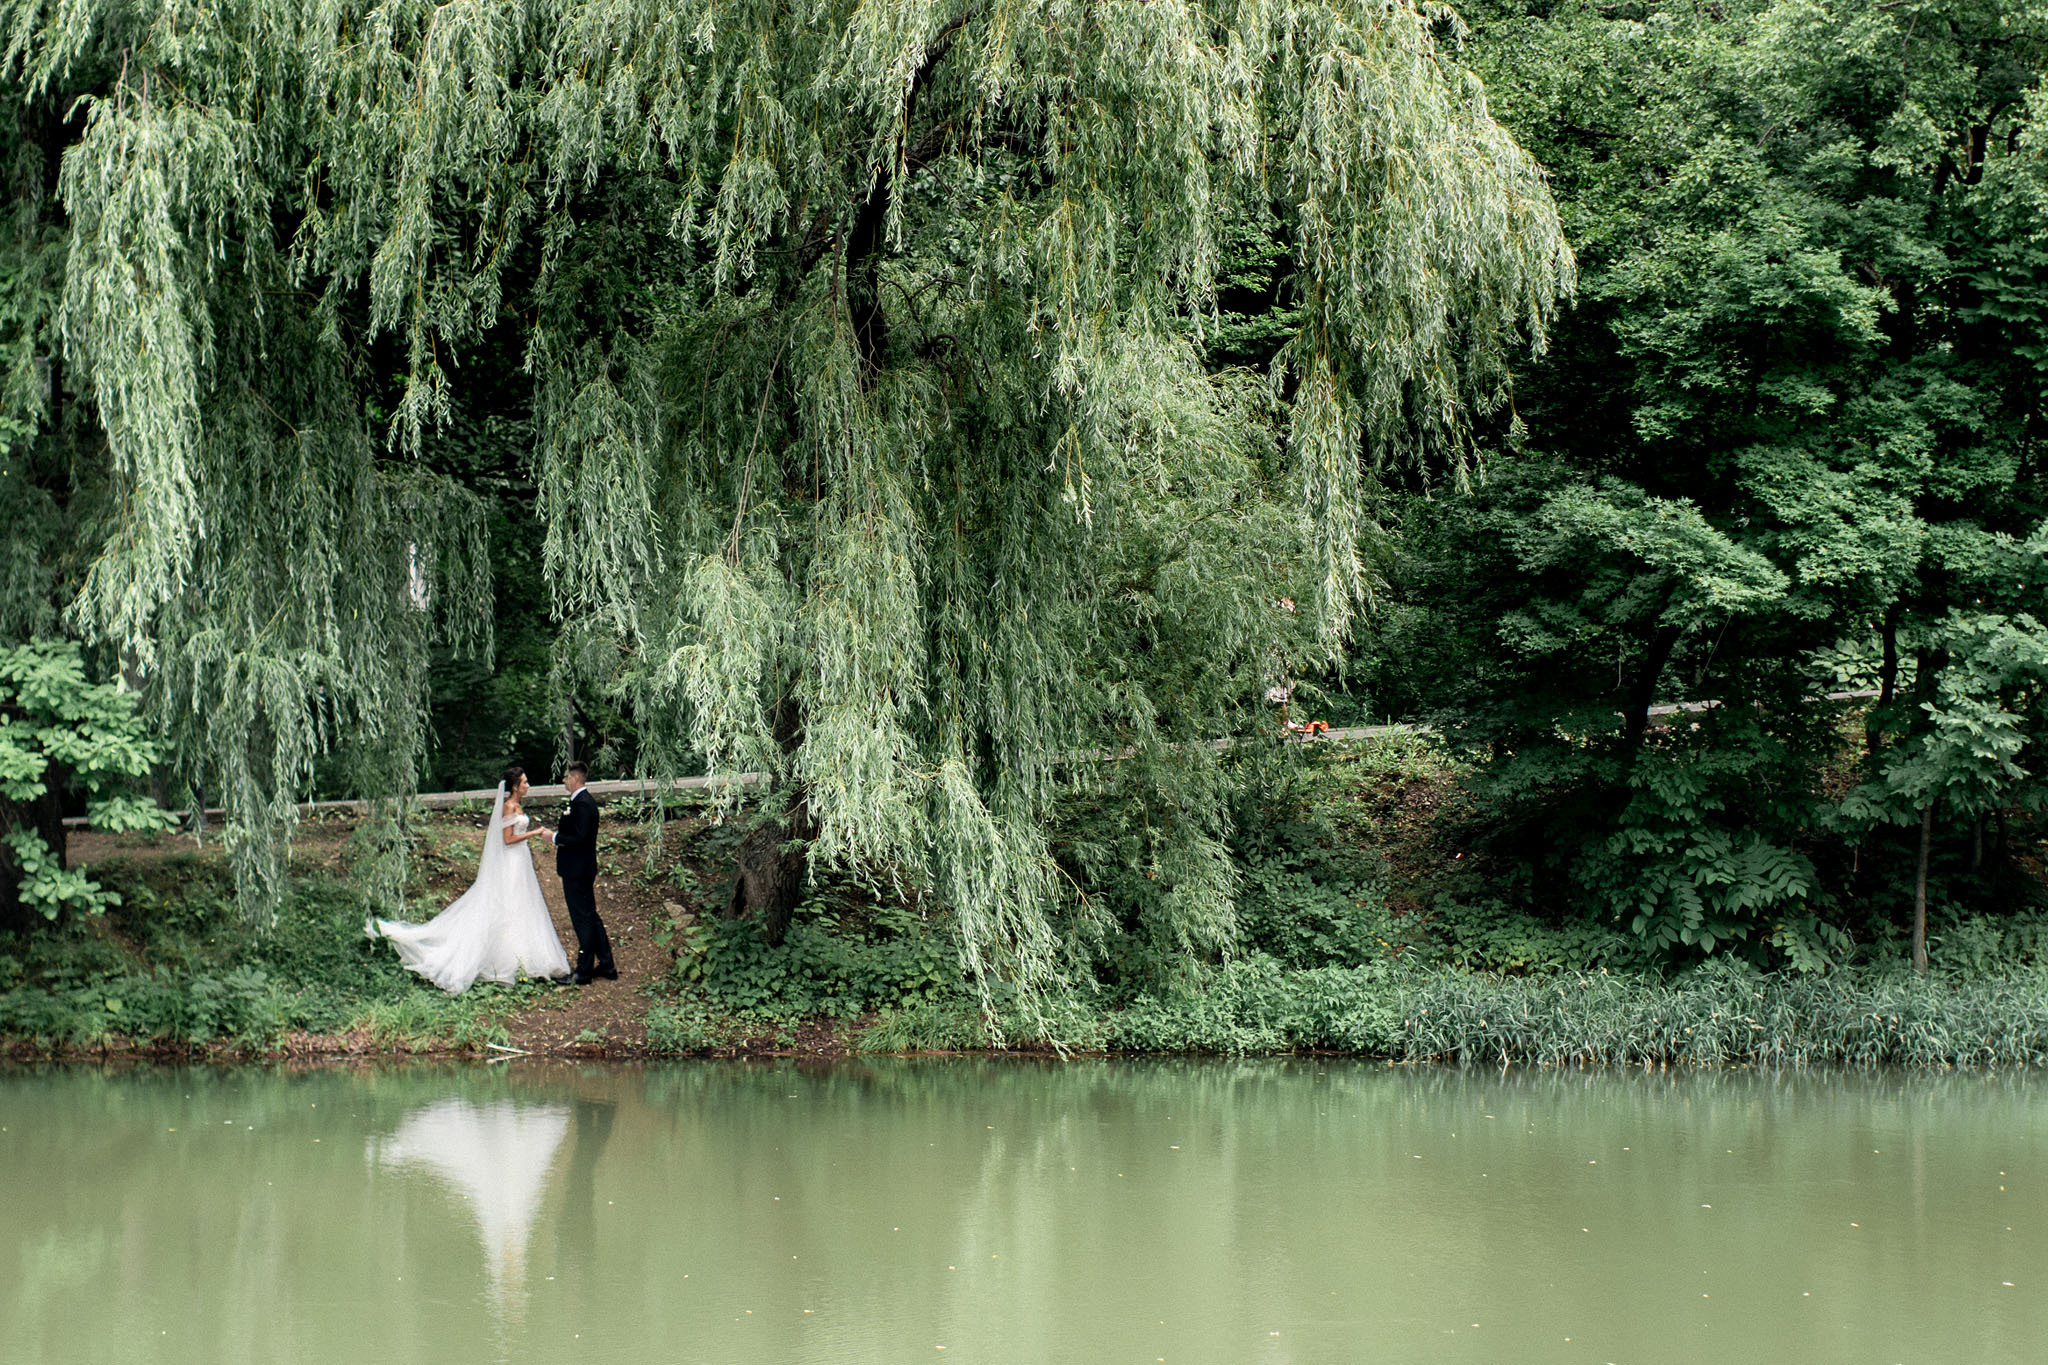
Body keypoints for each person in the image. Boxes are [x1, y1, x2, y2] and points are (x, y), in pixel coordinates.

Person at [366, 766, 571, 992]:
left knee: (523, 905)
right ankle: (506, 961)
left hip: (520, 862)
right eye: (524, 782)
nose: (528, 785)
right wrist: (534, 833)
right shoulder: (509, 806)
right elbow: (508, 840)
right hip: (512, 861)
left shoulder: (518, 805)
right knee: (509, 905)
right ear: (514, 786)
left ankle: (525, 957)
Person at [551, 760, 615, 984]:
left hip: (577, 870)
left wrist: (554, 838)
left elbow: (579, 838)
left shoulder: (583, 804)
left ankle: (584, 971)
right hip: (579, 868)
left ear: (576, 778)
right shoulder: (580, 802)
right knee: (591, 917)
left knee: (583, 920)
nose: (564, 781)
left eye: (567, 777)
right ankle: (607, 965)